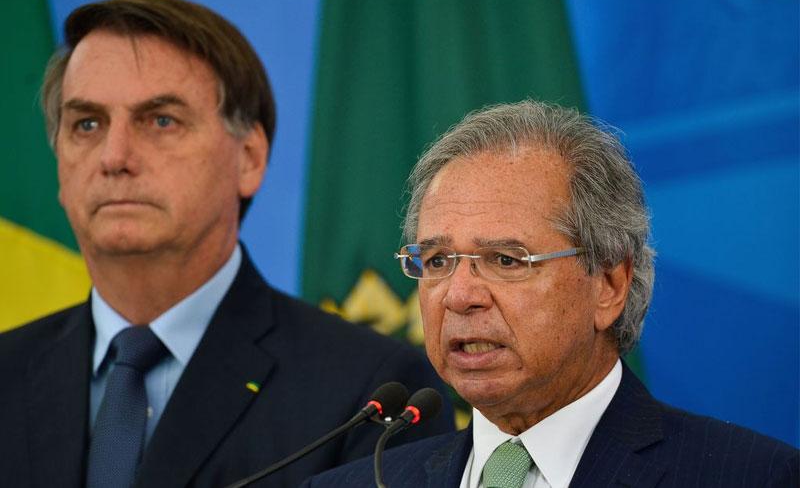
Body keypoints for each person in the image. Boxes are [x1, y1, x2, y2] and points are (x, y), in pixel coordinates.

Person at [0, 0, 453, 487]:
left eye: (161, 120)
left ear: (249, 159)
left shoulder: (373, 395)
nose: (114, 156)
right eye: (87, 124)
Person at [301, 100, 799, 487]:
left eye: (505, 260)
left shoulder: (752, 478)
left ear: (609, 285)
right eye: (437, 261)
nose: (459, 296)